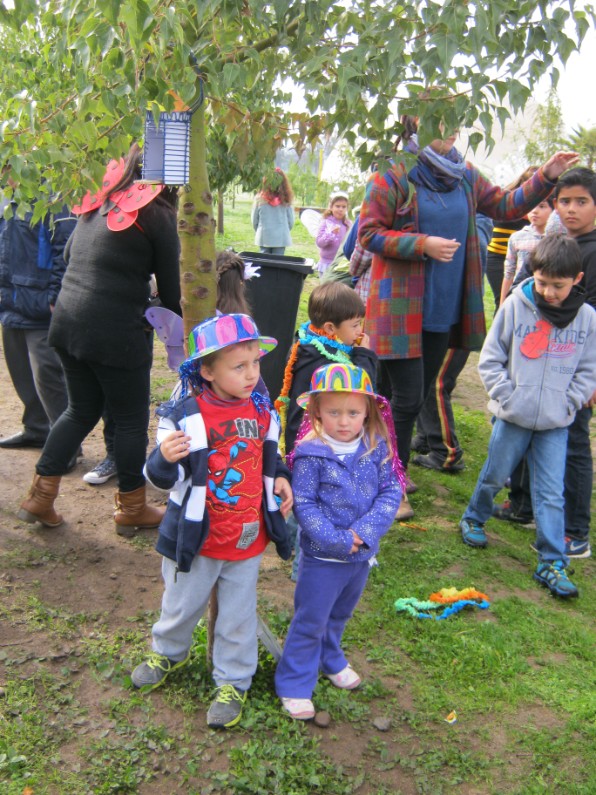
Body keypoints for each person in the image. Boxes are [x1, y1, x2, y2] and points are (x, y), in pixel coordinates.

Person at [358, 108, 579, 515]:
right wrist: (421, 244)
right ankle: (392, 488)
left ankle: (375, 467)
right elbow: (368, 233)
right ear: (416, 123)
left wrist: (545, 176)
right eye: (441, 121)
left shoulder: (464, 174)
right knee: (405, 397)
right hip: (401, 308)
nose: (452, 130)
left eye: (455, 123)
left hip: (444, 306)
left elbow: (505, 205)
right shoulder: (393, 173)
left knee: (408, 396)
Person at [130, 314, 293, 729]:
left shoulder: (263, 411)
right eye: (239, 366)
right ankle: (168, 652)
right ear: (207, 370)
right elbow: (162, 479)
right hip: (196, 538)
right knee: (180, 604)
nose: (252, 374)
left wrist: (281, 479)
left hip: (246, 537)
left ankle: (233, 680)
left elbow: (271, 457)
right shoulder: (184, 416)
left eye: (255, 363)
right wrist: (163, 458)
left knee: (238, 614)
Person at [17, 144, 181, 535]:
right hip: (114, 330)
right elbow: (173, 292)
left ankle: (40, 497)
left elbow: (70, 255)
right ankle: (132, 508)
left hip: (69, 320)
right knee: (130, 421)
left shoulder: (102, 200)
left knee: (79, 410)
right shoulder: (158, 213)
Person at [459, 235, 596, 598]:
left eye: (558, 285)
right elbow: (491, 358)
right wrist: (508, 397)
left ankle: (552, 560)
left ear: (577, 279)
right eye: (542, 282)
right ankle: (474, 518)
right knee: (495, 474)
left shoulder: (587, 319)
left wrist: (569, 402)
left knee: (551, 493)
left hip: (556, 423)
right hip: (512, 417)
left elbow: (588, 370)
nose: (548, 292)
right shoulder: (514, 306)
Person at [274, 363, 402, 720]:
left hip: (361, 556)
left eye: (353, 413)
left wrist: (364, 532)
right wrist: (337, 540)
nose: (344, 422)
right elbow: (305, 504)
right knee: (311, 618)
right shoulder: (310, 454)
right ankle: (294, 681)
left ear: (368, 411)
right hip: (323, 560)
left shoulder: (375, 447)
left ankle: (330, 657)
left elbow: (391, 491)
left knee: (341, 612)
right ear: (316, 411)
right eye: (333, 412)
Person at [493, 166, 596, 560]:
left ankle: (574, 531)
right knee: (522, 428)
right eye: (564, 201)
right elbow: (522, 286)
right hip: (531, 361)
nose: (571, 209)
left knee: (572, 445)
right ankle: (523, 505)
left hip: (571, 371)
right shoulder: (552, 244)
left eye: (581, 201)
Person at [411, 212, 494, 473]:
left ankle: (447, 452)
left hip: (455, 318)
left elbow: (468, 258)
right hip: (437, 314)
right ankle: (426, 436)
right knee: (424, 376)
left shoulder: (475, 225)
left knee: (436, 383)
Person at [0, 186, 76, 451]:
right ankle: (37, 429)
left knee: (48, 377)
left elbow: (65, 247)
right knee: (21, 373)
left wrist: (54, 296)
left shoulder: (52, 194)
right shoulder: (7, 196)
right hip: (11, 301)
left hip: (41, 305)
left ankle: (65, 445)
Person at [484, 166, 539, 310]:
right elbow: (513, 212)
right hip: (497, 256)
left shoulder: (538, 205)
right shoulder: (510, 199)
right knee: (502, 301)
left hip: (521, 257)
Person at [499, 198, 553, 305]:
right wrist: (503, 304)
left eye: (542, 206)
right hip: (521, 294)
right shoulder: (517, 237)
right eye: (531, 205)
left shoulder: (558, 239)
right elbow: (509, 273)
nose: (534, 211)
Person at [251, 168, 295, 255]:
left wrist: (260, 230)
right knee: (277, 261)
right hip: (281, 238)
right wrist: (283, 230)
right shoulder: (286, 199)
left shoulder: (259, 198)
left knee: (264, 261)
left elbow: (254, 221)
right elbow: (291, 221)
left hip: (264, 237)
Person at [315, 192, 352, 276]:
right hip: (327, 263)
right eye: (337, 206)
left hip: (341, 263)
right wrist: (330, 234)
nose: (341, 209)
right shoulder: (325, 222)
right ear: (331, 207)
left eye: (344, 207)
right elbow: (319, 243)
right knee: (326, 284)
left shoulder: (348, 224)